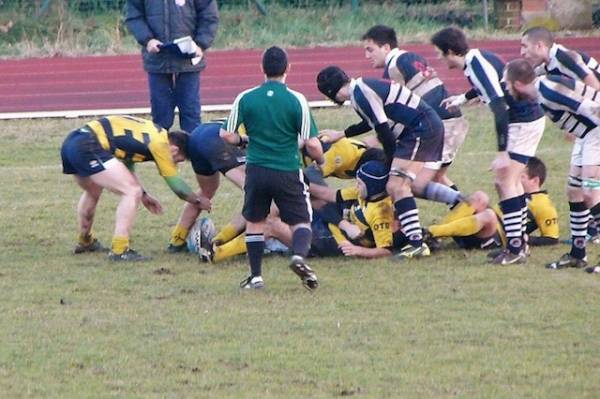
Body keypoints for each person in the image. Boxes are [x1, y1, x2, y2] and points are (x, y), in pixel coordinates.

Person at [431, 26, 546, 265]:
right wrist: (462, 98)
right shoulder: (476, 60)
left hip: (522, 122)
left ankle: (515, 247)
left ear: (451, 51)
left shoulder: (477, 65)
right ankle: (519, 242)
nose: (438, 58)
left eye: (440, 53)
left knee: (505, 181)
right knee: (507, 182)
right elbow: (492, 86)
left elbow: (500, 107)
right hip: (527, 120)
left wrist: (502, 152)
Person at [316, 66, 448, 260]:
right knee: (401, 185)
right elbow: (370, 122)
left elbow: (383, 131)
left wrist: (389, 162)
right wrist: (341, 134)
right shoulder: (360, 89)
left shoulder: (360, 94)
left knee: (398, 185)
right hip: (420, 127)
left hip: (420, 129)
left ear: (330, 92)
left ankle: (417, 242)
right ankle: (415, 239)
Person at [221, 46, 325, 290]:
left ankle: (256, 276)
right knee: (301, 221)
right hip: (287, 168)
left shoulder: (245, 97)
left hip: (256, 170)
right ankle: (298, 255)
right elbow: (311, 143)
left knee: (255, 220)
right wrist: (321, 161)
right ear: (288, 68)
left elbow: (226, 135)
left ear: (262, 69)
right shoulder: (296, 99)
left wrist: (244, 140)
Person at [60, 115, 211, 261]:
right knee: (132, 192)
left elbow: (126, 165)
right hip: (89, 145)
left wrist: (144, 195)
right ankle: (120, 250)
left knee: (93, 191)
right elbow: (178, 188)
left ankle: (85, 241)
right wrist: (198, 200)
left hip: (73, 141)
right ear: (175, 150)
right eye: (178, 160)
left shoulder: (153, 132)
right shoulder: (162, 145)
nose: (175, 165)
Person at [504, 58, 600, 272]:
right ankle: (578, 254)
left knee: (591, 193)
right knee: (574, 192)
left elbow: (591, 107)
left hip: (596, 135)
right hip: (587, 136)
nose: (507, 89)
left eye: (508, 84)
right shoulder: (543, 86)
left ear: (518, 84)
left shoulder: (547, 91)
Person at [361, 24, 469, 194]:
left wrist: (373, 140)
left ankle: (474, 210)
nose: (367, 55)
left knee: (409, 184)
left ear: (386, 47)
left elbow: (390, 117)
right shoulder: (410, 57)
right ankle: (468, 210)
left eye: (370, 49)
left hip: (441, 127)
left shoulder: (393, 69)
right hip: (452, 121)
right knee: (436, 178)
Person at [520, 26, 600, 244]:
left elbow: (593, 83)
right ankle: (580, 247)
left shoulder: (564, 57)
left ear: (540, 45)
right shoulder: (546, 67)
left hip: (595, 126)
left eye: (525, 46)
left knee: (590, 187)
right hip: (589, 128)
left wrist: (590, 118)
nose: (522, 52)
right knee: (576, 188)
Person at [424, 157, 559, 251]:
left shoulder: (544, 205)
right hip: (477, 228)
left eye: (520, 176)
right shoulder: (514, 191)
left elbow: (552, 238)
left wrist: (525, 238)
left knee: (489, 215)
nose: (514, 178)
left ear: (535, 180)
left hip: (494, 238)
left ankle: (430, 233)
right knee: (479, 197)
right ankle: (434, 236)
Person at [125, 0, 219, 133]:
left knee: (190, 112)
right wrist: (148, 40)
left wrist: (200, 44)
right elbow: (134, 16)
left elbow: (209, 16)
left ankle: (192, 149)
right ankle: (161, 148)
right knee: (160, 114)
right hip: (157, 59)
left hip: (188, 59)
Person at [167, 120, 247, 252]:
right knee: (259, 193)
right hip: (216, 140)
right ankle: (222, 243)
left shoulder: (194, 141)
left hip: (199, 144)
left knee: (206, 192)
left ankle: (177, 240)